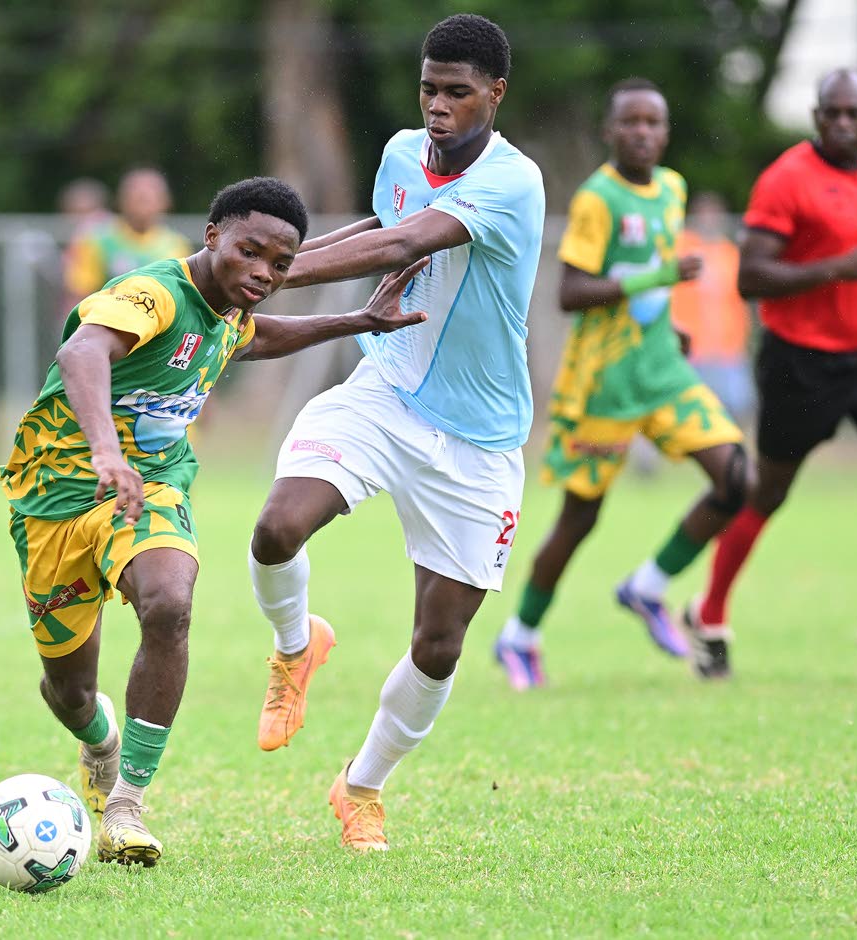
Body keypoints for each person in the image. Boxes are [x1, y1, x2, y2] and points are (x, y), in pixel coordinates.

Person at [0, 177, 427, 867]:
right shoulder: (157, 292)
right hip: (53, 497)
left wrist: (354, 323)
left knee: (169, 603)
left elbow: (251, 340)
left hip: (152, 487)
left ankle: (126, 806)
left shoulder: (230, 307)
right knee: (70, 692)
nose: (262, 273)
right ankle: (101, 740)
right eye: (249, 252)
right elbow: (81, 351)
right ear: (211, 236)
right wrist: (105, 450)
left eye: (280, 265)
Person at [247, 14, 544, 852]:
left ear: (496, 93)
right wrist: (275, 258)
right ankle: (296, 647)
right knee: (275, 529)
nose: (439, 106)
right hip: (385, 391)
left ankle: (362, 787)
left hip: (479, 441)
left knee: (439, 644)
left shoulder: (515, 181)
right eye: (429, 88)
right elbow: (377, 231)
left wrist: (264, 268)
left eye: (458, 91)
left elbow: (413, 237)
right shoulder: (399, 152)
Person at [492, 78, 751, 690]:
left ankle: (648, 587)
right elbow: (570, 293)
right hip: (602, 385)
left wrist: (671, 324)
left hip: (661, 371)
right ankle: (519, 636)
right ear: (610, 132)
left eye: (653, 122)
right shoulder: (596, 199)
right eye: (630, 122)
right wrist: (658, 277)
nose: (642, 133)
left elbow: (651, 286)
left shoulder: (673, 188)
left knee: (737, 477)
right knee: (580, 519)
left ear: (665, 131)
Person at [685, 69, 857, 679]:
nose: (844, 123)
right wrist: (836, 268)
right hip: (800, 360)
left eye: (855, 113)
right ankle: (708, 615)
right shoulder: (786, 180)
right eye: (832, 113)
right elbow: (751, 278)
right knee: (767, 494)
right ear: (817, 116)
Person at [671, 192, 755, 426]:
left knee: (738, 405)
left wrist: (742, 339)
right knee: (680, 406)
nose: (709, 220)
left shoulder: (729, 253)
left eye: (714, 216)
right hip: (690, 346)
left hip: (727, 348)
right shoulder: (682, 247)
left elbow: (740, 301)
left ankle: (732, 450)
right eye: (705, 215)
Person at [62, 168, 191, 305]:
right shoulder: (98, 240)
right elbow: (79, 292)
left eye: (149, 199)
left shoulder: (176, 245)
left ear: (165, 202)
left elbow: (181, 299)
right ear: (121, 200)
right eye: (139, 198)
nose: (143, 206)